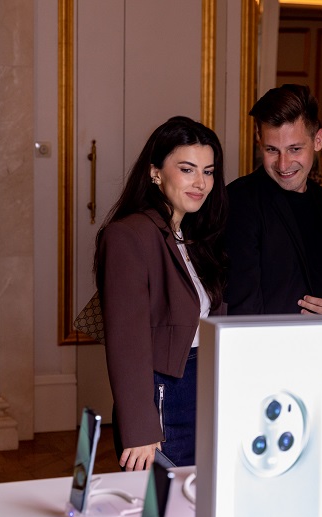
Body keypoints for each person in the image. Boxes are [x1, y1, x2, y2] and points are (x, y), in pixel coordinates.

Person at [94, 116, 228, 470]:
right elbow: (126, 340)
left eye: (209, 172)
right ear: (155, 173)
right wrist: (139, 426)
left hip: (204, 387)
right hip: (164, 393)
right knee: (163, 501)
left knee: (199, 498)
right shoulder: (128, 235)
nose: (201, 183)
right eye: (187, 169)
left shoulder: (194, 236)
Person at [225, 84, 322, 315]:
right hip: (271, 337)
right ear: (259, 140)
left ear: (318, 140)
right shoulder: (240, 200)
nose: (283, 164)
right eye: (272, 150)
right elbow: (242, 306)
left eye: (295, 149)